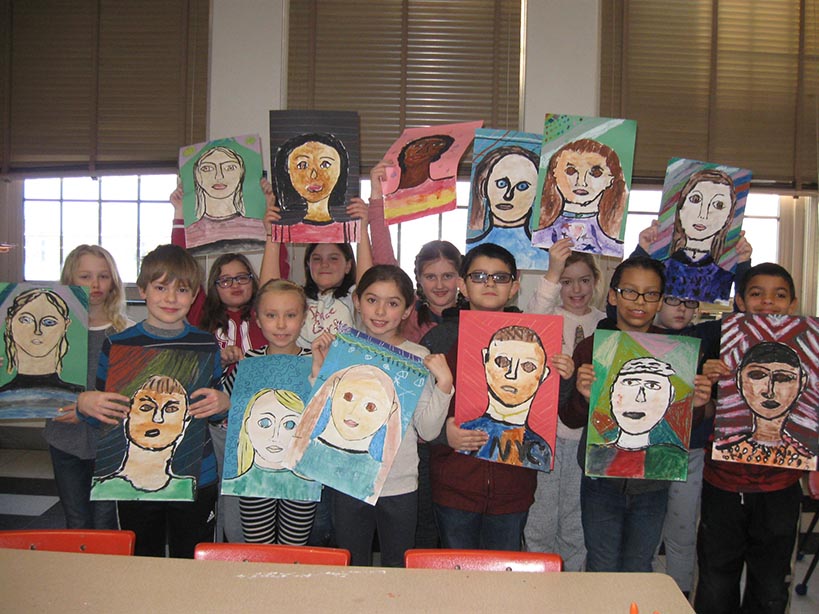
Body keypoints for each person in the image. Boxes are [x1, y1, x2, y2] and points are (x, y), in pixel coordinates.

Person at [77, 244, 230, 558]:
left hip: (197, 477)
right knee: (143, 556)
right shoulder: (118, 344)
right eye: (161, 287)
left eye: (182, 289)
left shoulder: (205, 343)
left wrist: (223, 403)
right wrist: (85, 405)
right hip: (134, 481)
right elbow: (104, 416)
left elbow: (212, 413)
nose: (171, 298)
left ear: (195, 294)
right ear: (143, 289)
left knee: (192, 556)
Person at [296, 264, 453, 567]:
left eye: (393, 303)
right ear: (356, 302)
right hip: (346, 478)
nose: (381, 311)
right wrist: (319, 369)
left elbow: (429, 431)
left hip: (400, 484)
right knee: (352, 566)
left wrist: (444, 386)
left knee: (397, 568)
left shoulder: (417, 357)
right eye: (372, 300)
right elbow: (320, 419)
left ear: (407, 310)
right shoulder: (343, 348)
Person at [562, 256, 711, 572]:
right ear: (613, 296)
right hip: (600, 478)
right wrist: (583, 396)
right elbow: (570, 418)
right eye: (630, 292)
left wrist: (697, 404)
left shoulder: (676, 350)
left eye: (650, 294)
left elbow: (682, 424)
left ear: (659, 301)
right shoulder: (591, 349)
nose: (640, 302)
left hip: (653, 480)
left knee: (639, 563)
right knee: (601, 562)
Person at [428, 243, 572, 551]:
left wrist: (566, 376)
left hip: (512, 490)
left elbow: (557, 407)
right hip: (455, 486)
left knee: (502, 578)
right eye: (479, 276)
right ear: (463, 284)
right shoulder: (440, 339)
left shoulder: (535, 338)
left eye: (500, 277)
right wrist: (444, 435)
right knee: (455, 576)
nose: (490, 283)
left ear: (515, 286)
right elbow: (416, 409)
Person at [695, 262, 805, 613]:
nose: (768, 302)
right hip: (724, 483)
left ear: (793, 302)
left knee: (771, 584)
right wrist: (707, 382)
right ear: (740, 300)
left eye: (779, 295)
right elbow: (702, 412)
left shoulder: (809, 351)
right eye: (757, 294)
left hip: (781, 485)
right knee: (715, 578)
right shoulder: (716, 341)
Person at [523, 237, 606, 570]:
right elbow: (529, 322)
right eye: (567, 282)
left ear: (596, 282)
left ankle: (571, 589)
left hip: (586, 440)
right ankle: (537, 586)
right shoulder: (546, 314)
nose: (576, 289)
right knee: (539, 519)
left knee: (574, 522)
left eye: (584, 280)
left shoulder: (604, 323)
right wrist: (552, 272)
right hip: (544, 435)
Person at [221, 279, 321, 545]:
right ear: (257, 318)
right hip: (255, 476)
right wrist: (222, 369)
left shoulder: (316, 363)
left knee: (294, 545)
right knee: (259, 545)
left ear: (303, 318)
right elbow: (224, 408)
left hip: (301, 475)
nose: (280, 324)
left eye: (290, 315)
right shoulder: (249, 363)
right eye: (271, 315)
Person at [41, 245, 132, 530]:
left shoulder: (125, 332)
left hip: (109, 443)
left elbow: (128, 395)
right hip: (64, 437)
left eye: (103, 276)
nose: (95, 284)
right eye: (85, 276)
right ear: (70, 279)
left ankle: (104, 574)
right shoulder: (51, 331)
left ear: (114, 281)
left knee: (105, 521)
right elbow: (41, 387)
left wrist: (88, 411)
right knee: (76, 518)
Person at [259, 192, 372, 349]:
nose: (324, 264)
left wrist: (362, 230)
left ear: (348, 265)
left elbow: (368, 283)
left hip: (341, 371)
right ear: (308, 264)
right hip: (300, 368)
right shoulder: (297, 296)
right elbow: (267, 292)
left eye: (333, 258)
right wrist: (272, 234)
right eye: (317, 259)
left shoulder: (353, 298)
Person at [460, 325, 556, 471]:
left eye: (528, 366)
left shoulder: (539, 450)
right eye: (503, 362)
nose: (512, 374)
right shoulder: (464, 434)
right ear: (485, 360)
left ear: (543, 374)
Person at [91, 375, 196, 498]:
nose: (157, 418)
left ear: (186, 420)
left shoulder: (187, 489)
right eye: (146, 407)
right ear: (126, 413)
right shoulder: (100, 488)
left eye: (171, 409)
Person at [585, 356, 688, 480]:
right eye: (630, 383)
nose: (639, 397)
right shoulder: (595, 455)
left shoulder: (673, 458)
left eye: (652, 385)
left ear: (671, 397)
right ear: (612, 391)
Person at [713, 341, 811, 467]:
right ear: (738, 379)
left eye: (783, 378)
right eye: (757, 375)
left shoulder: (804, 458)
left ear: (802, 383)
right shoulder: (723, 449)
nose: (769, 391)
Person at [533, 139, 627, 255]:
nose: (581, 182)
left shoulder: (612, 248)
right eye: (571, 171)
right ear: (555, 174)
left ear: (610, 180)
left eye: (596, 173)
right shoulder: (538, 240)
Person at [466, 145, 549, 270]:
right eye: (501, 184)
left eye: (522, 187)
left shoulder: (544, 258)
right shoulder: (472, 256)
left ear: (537, 195)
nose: (508, 195)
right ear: (484, 187)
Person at [664, 168, 738, 303]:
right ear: (681, 207)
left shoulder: (723, 277)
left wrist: (744, 262)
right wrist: (643, 249)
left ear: (728, 217)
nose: (703, 214)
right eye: (696, 199)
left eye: (719, 205)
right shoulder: (660, 270)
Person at [1, 287, 81, 393]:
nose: (37, 331)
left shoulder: (79, 395)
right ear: (9, 323)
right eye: (26, 320)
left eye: (49, 322)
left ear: (65, 326)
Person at [193, 146, 246, 220]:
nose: (219, 176)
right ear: (197, 175)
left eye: (230, 168)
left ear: (241, 173)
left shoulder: (258, 226)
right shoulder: (190, 229)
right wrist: (178, 210)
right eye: (207, 168)